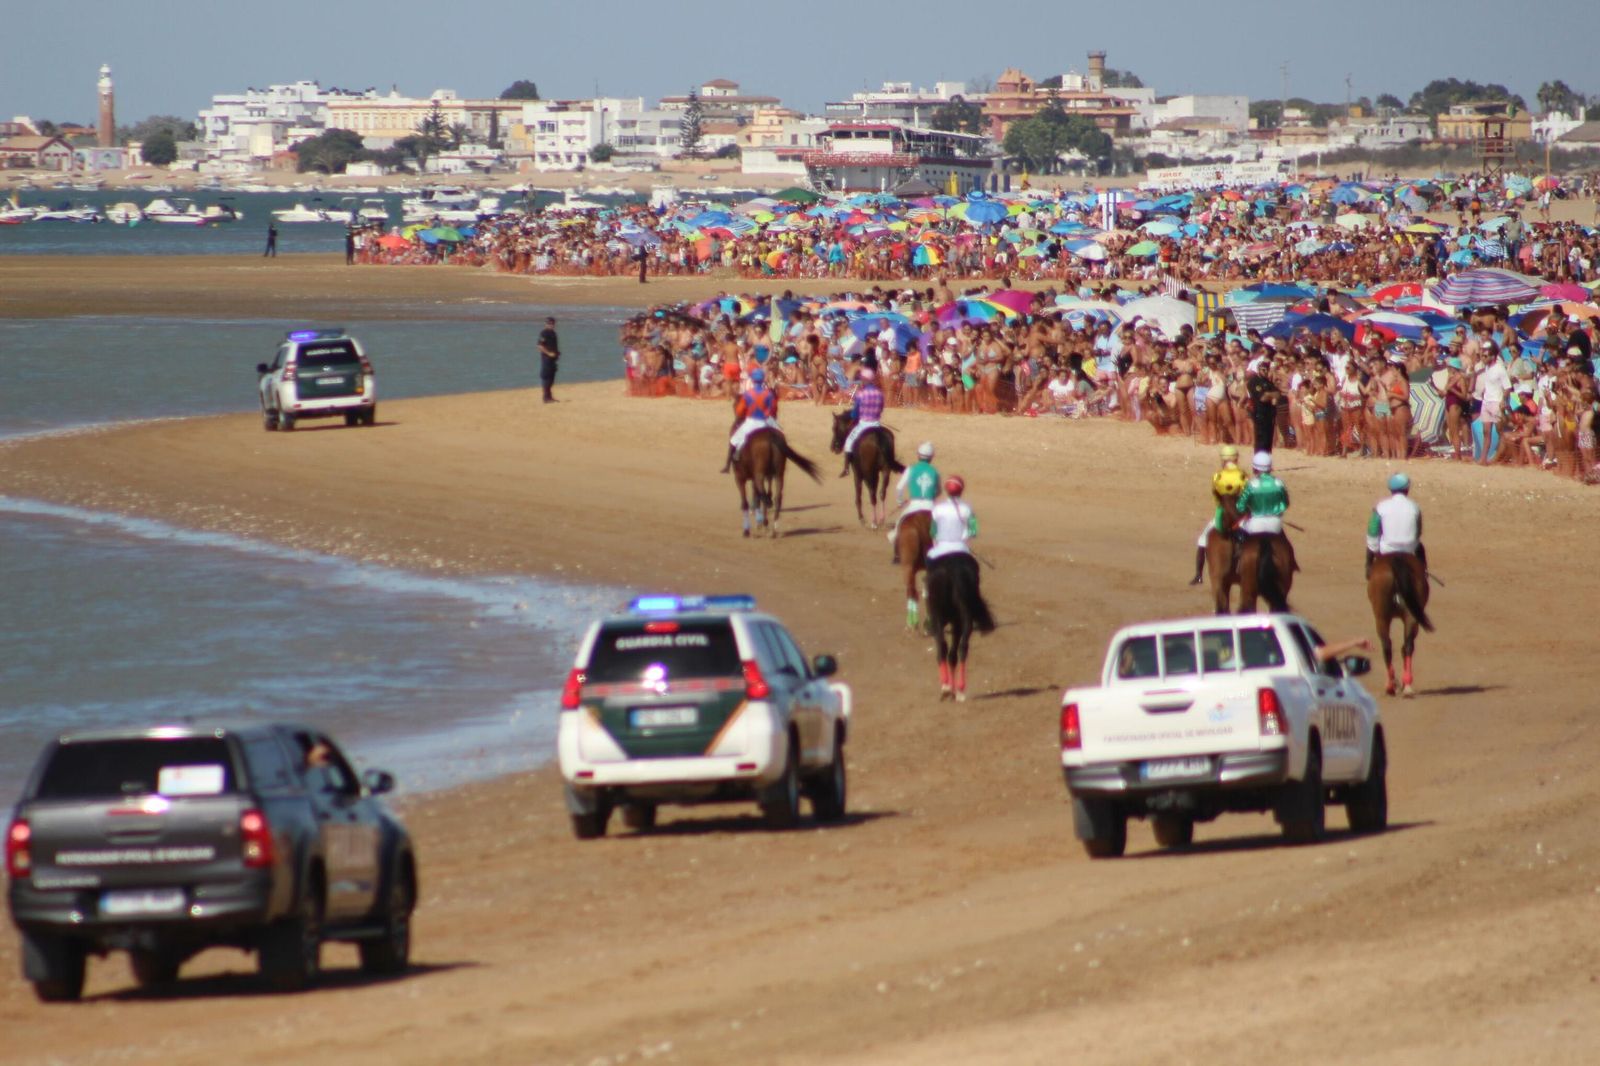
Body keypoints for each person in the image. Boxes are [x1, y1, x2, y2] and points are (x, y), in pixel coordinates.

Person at [1191, 443, 1247, 585]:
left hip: (1222, 512)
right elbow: (1246, 496)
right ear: (1236, 459)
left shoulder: (1218, 476)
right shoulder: (1243, 475)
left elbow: (1216, 496)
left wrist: (1221, 506)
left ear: (1223, 459)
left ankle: (1198, 575)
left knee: (1202, 541)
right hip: (1240, 514)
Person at [1365, 471, 1426, 578]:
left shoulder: (1381, 506)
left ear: (1391, 489)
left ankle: (1368, 567)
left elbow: (1372, 531)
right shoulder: (1414, 507)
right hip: (1409, 548)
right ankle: (1424, 572)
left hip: (1386, 549)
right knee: (1420, 548)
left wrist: (1374, 549)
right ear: (1407, 489)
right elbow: (1418, 532)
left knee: (1370, 544)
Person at [888, 441, 940, 564]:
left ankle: (897, 555)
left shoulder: (911, 469)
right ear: (931, 457)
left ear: (918, 455)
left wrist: (900, 502)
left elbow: (899, 488)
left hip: (914, 505)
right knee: (939, 531)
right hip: (930, 506)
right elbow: (938, 491)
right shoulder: (935, 471)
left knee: (899, 526)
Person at [722, 366, 780, 472]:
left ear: (753, 380)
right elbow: (773, 409)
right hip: (766, 421)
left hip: (752, 421)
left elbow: (740, 411)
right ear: (763, 380)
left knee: (734, 440)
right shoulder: (768, 393)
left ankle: (728, 465)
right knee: (781, 437)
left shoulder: (747, 394)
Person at [838, 366, 885, 475]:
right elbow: (881, 408)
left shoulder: (861, 394)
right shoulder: (879, 393)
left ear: (865, 380)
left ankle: (846, 468)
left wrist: (854, 418)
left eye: (862, 379)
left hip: (864, 423)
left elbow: (855, 412)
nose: (861, 381)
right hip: (876, 423)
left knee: (849, 443)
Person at [927, 475, 980, 562]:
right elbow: (973, 531)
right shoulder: (967, 508)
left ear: (947, 490)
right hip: (961, 548)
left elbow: (933, 532)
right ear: (961, 491)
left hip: (941, 548)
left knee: (929, 561)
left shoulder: (937, 508)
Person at [1245, 360, 1281, 453]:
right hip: (1259, 412)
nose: (1265, 372)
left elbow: (1278, 394)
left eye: (1266, 370)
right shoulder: (1253, 381)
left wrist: (1268, 394)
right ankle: (1259, 459)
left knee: (1269, 437)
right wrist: (1270, 395)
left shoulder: (1268, 382)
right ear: (1258, 370)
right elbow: (1262, 398)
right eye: (1263, 370)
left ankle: (1267, 459)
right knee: (1261, 437)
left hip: (1269, 412)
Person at [538, 316, 560, 403]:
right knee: (546, 377)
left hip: (553, 359)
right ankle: (546, 398)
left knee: (551, 378)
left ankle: (550, 397)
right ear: (546, 324)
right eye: (549, 323)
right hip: (546, 359)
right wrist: (548, 353)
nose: (551, 325)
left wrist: (557, 353)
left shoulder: (553, 333)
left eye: (552, 323)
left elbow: (554, 346)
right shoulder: (544, 333)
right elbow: (540, 346)